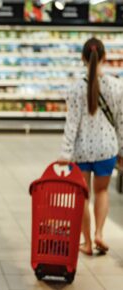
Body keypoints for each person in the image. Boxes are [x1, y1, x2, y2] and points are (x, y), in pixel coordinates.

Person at [59, 37, 123, 256]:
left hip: (82, 151)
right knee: (102, 191)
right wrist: (122, 150)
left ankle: (86, 243)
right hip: (107, 149)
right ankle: (99, 234)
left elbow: (72, 124)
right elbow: (121, 121)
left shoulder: (75, 89)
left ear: (82, 59)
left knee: (83, 196)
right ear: (105, 57)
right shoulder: (117, 86)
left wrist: (65, 153)